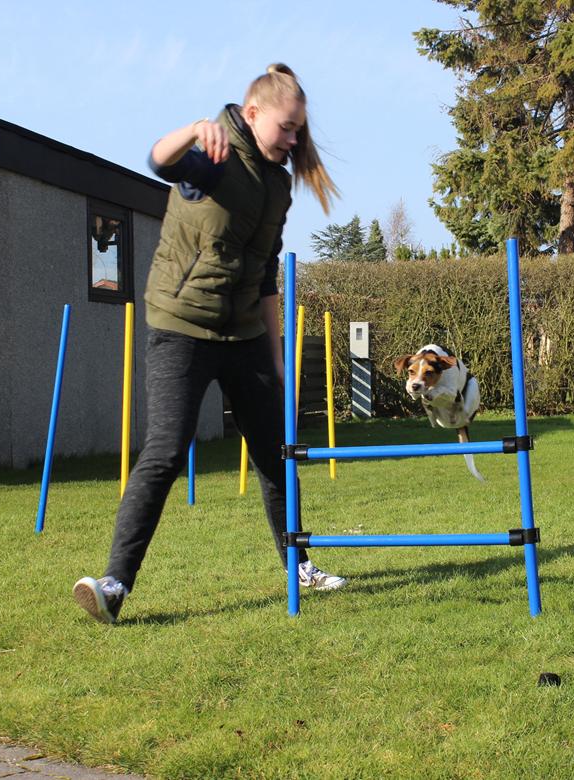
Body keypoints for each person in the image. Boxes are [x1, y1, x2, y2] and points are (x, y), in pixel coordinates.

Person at [73, 64, 346, 624]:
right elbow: (158, 159)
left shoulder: (275, 185)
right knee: (166, 451)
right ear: (252, 114)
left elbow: (266, 273)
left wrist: (275, 357)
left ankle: (299, 566)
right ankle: (114, 584)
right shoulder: (214, 156)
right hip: (182, 327)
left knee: (277, 457)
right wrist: (197, 128)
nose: (294, 140)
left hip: (244, 333)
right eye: (286, 128)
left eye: (299, 130)